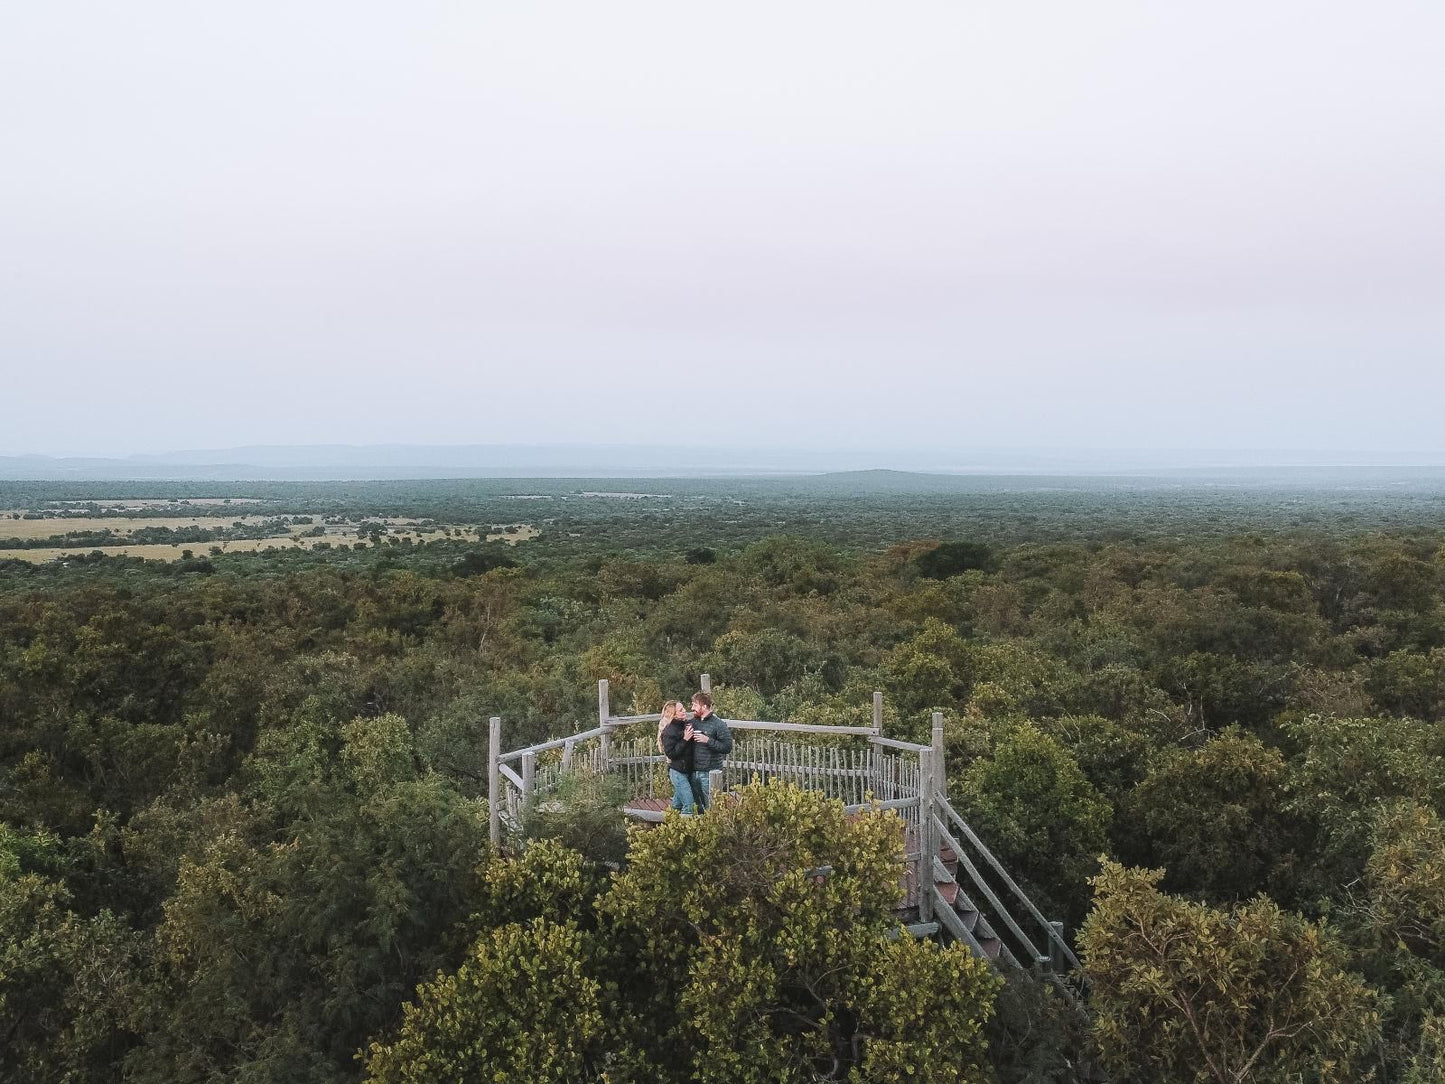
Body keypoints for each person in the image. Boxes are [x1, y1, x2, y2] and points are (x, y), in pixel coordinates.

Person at [684, 690, 733, 812]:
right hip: (693, 772)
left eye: (695, 705)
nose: (692, 708)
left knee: (712, 808)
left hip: (710, 773)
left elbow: (727, 747)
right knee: (697, 808)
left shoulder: (719, 724)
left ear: (704, 706)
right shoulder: (692, 723)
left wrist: (707, 740)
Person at [657, 700, 696, 814]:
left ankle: (668, 823)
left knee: (677, 805)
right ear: (674, 714)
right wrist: (685, 739)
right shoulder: (669, 731)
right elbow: (671, 753)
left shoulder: (684, 725)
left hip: (687, 770)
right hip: (678, 772)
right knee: (689, 805)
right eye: (681, 710)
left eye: (683, 708)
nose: (684, 711)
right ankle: (685, 829)